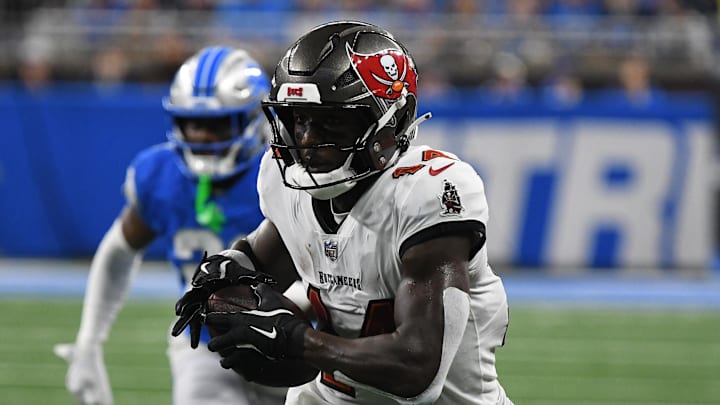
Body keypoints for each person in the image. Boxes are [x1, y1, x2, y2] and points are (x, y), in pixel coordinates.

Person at [173, 21, 513, 405]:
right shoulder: (285, 184)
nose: (307, 140)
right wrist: (224, 274)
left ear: (390, 122)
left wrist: (298, 341)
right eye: (300, 119)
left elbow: (418, 369)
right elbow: (267, 253)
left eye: (330, 121)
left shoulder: (428, 192)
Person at [53, 46, 287, 405]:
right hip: (204, 343)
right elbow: (118, 251)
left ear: (253, 119)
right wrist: (89, 341)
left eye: (217, 123)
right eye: (193, 123)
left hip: (292, 341)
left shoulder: (285, 175)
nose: (203, 136)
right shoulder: (160, 174)